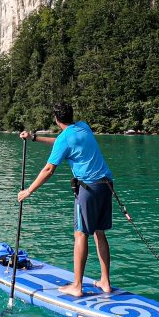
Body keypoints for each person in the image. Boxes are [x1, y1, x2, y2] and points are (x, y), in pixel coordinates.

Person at [18, 102, 114, 297]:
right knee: (99, 233)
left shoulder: (65, 139)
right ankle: (105, 281)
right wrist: (34, 138)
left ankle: (77, 286)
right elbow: (63, 142)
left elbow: (48, 170)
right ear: (72, 115)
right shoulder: (83, 127)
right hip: (106, 184)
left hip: (88, 189)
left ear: (56, 118)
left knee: (80, 234)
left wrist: (29, 190)